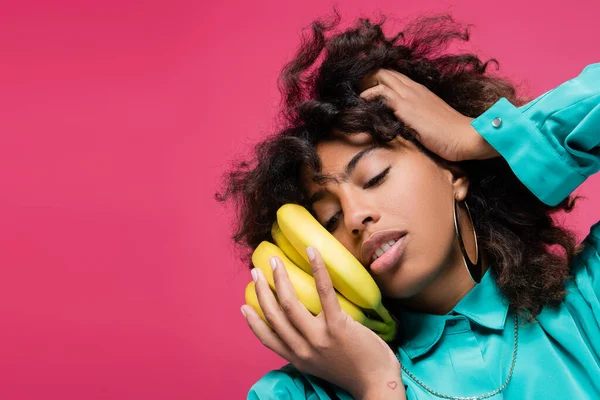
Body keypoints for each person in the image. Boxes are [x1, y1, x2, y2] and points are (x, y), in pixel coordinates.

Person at [216, 12, 600, 400]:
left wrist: (479, 138)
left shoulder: (589, 300)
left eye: (375, 177)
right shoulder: (295, 394)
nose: (354, 216)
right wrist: (374, 385)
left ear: (454, 173)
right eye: (328, 218)